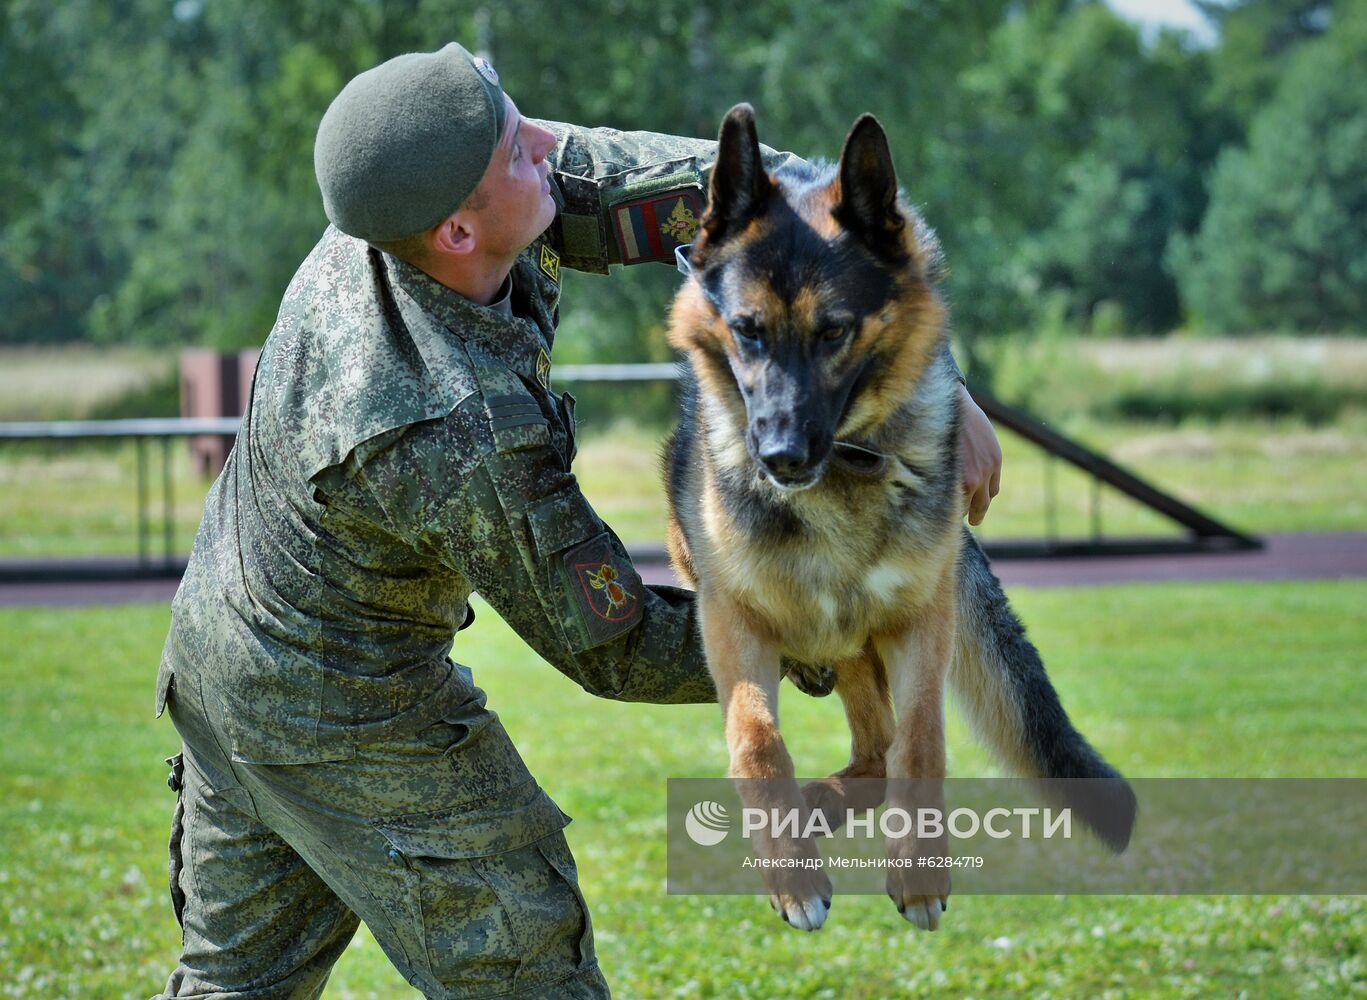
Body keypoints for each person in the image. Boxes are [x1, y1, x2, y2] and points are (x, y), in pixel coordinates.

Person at [153, 42, 1003, 999]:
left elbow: (785, 195)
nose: (549, 144)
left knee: (237, 985)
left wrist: (940, 382)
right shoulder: (447, 425)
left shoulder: (418, 194)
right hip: (342, 704)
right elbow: (612, 641)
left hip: (214, 659)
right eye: (518, 150)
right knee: (524, 963)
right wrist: (820, 639)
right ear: (459, 233)